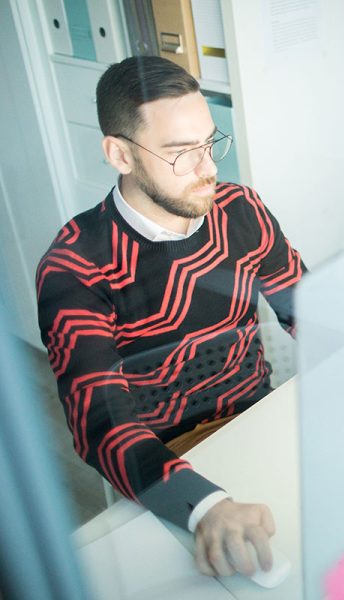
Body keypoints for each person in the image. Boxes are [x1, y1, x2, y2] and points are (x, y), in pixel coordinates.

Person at [36, 56, 306, 578]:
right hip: (163, 465)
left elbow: (306, 307)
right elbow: (101, 424)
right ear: (120, 154)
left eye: (209, 143)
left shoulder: (240, 208)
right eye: (182, 153)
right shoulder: (76, 265)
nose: (209, 169)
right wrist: (204, 506)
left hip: (257, 419)